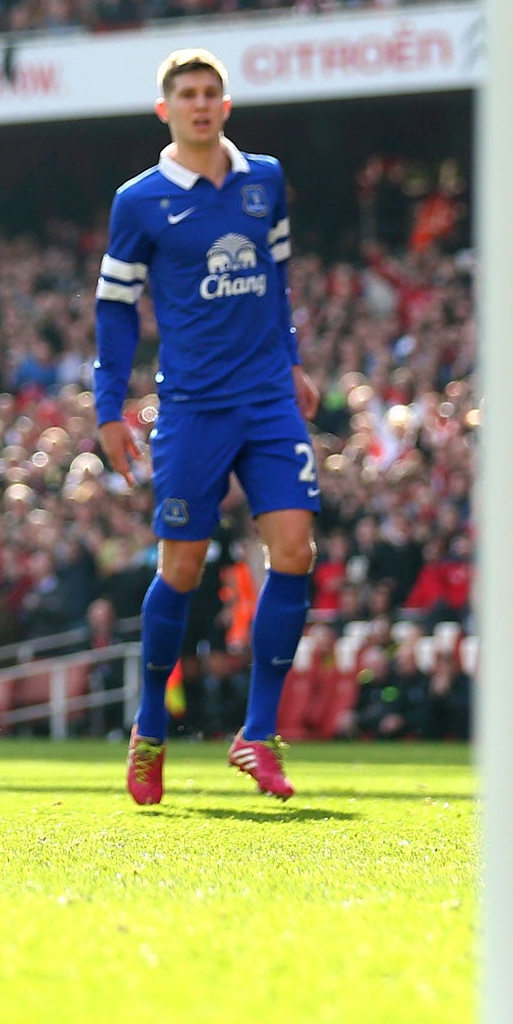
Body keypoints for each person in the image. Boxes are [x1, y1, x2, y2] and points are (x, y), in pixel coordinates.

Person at [92, 48, 320, 805]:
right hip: (190, 407)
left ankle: (257, 735)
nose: (199, 104)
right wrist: (107, 407)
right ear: (166, 110)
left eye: (210, 93)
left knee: (293, 549)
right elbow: (115, 309)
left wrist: (291, 360)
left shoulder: (266, 180)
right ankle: (151, 724)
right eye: (186, 94)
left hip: (266, 398)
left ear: (227, 106)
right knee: (181, 570)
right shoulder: (141, 201)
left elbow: (279, 281)